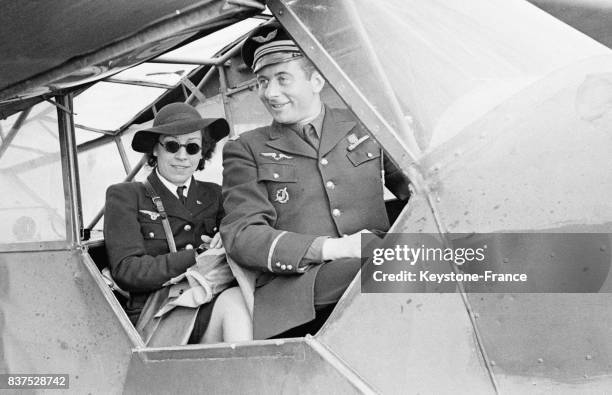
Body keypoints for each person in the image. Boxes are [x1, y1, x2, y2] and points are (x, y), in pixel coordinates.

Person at [220, 22, 411, 340]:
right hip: (298, 288)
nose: (270, 93)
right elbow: (242, 237)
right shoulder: (246, 148)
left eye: (283, 79)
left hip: (374, 259)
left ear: (317, 80)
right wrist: (332, 248)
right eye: (263, 82)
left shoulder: (365, 125)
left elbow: (419, 189)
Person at [104, 102, 252, 344]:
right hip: (156, 314)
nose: (182, 156)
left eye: (192, 147)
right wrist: (198, 255)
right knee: (236, 305)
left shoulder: (216, 195)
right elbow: (127, 271)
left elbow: (239, 239)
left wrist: (227, 238)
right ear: (155, 149)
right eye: (172, 146)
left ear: (202, 152)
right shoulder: (126, 195)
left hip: (209, 296)